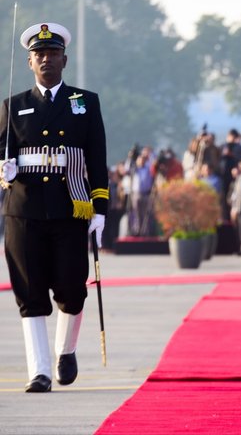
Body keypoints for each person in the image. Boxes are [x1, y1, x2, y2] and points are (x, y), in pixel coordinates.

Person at [0, 22, 108, 392]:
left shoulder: (84, 102)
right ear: (29, 62)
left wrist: (100, 209)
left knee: (72, 288)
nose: (46, 59)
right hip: (24, 209)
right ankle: (39, 371)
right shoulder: (14, 105)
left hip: (70, 207)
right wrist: (4, 169)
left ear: (65, 59)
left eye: (52, 53)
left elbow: (96, 157)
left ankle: (66, 350)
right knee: (29, 292)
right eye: (39, 54)